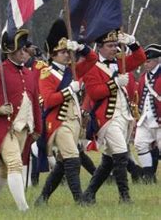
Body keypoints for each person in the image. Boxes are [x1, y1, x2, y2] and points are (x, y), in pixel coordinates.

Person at [0, 28, 42, 212]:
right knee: (15, 164)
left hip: (23, 129)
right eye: (21, 49)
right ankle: (24, 209)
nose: (25, 52)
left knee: (5, 170)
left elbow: (34, 101)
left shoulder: (29, 74)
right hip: (3, 128)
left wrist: (38, 127)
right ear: (10, 52)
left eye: (25, 49)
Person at [34, 19, 97, 205]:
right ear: (53, 54)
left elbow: (92, 59)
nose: (67, 55)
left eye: (68, 52)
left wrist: (80, 47)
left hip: (74, 123)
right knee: (73, 160)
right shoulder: (47, 74)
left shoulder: (73, 70)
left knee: (62, 164)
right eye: (63, 52)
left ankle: (42, 198)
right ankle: (80, 199)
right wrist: (70, 89)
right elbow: (48, 100)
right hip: (59, 123)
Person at [82, 30, 146, 204]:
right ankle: (124, 197)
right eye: (110, 46)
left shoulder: (120, 61)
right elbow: (94, 93)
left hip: (124, 116)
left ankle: (88, 194)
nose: (114, 48)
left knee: (109, 160)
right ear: (99, 47)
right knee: (121, 154)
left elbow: (140, 58)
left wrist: (133, 43)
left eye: (116, 45)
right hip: (107, 118)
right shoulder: (91, 67)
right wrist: (114, 83)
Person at [134, 44, 160, 184]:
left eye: (148, 61)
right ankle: (149, 176)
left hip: (159, 119)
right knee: (140, 144)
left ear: (157, 60)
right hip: (145, 119)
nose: (146, 64)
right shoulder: (144, 77)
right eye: (145, 61)